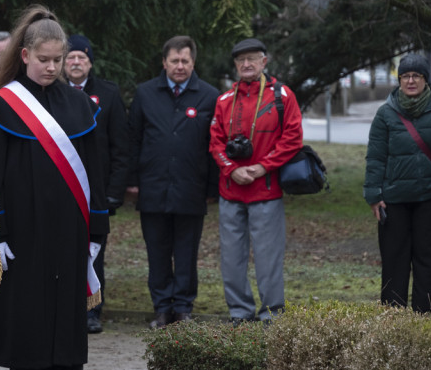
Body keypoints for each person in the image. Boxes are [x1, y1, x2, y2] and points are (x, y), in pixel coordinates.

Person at [0, 6, 107, 370]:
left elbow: (96, 175)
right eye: (45, 59)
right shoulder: (0, 107)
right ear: (24, 56)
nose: (53, 67)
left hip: (69, 235)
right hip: (23, 237)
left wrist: (96, 233)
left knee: (68, 331)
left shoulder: (80, 105)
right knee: (30, 329)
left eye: (59, 59)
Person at [364, 53, 431, 314]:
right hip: (394, 201)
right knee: (394, 264)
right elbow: (375, 157)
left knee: (430, 264)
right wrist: (373, 195)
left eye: (416, 75)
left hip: (430, 200)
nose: (411, 80)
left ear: (425, 79)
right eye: (405, 76)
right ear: (399, 80)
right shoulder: (385, 113)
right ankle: (395, 326)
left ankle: (426, 324)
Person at [126, 36, 219, 329]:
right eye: (175, 61)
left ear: (193, 63)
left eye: (186, 61)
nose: (180, 66)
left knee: (187, 254)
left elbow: (214, 145)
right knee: (157, 253)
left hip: (191, 190)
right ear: (164, 62)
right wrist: (132, 182)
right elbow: (133, 141)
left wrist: (211, 189)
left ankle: (183, 309)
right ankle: (162, 309)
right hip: (153, 188)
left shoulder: (209, 96)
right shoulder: (145, 94)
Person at [209, 37, 303, 325]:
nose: (246, 64)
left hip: (266, 191)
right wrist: (230, 169)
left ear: (265, 61)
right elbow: (215, 142)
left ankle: (271, 314)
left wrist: (264, 166)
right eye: (241, 60)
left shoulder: (282, 96)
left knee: (268, 258)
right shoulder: (225, 100)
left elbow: (292, 138)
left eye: (252, 59)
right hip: (231, 191)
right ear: (235, 65)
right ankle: (240, 313)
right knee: (231, 258)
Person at [63, 34, 128, 334]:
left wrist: (114, 192)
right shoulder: (51, 93)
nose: (76, 63)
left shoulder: (109, 94)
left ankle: (92, 311)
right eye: (71, 57)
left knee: (93, 251)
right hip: (59, 189)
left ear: (90, 63)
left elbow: (120, 147)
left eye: (82, 58)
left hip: (96, 193)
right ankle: (63, 307)